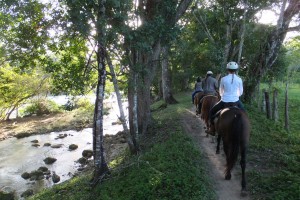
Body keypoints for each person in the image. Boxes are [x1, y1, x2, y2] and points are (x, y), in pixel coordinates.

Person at [205, 61, 245, 135]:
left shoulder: (223, 79)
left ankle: (212, 129)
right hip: (236, 101)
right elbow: (241, 92)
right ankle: (244, 130)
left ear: (227, 69)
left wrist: (224, 96)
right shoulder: (239, 79)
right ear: (236, 70)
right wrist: (235, 96)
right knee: (244, 113)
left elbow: (220, 91)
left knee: (211, 112)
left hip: (224, 101)